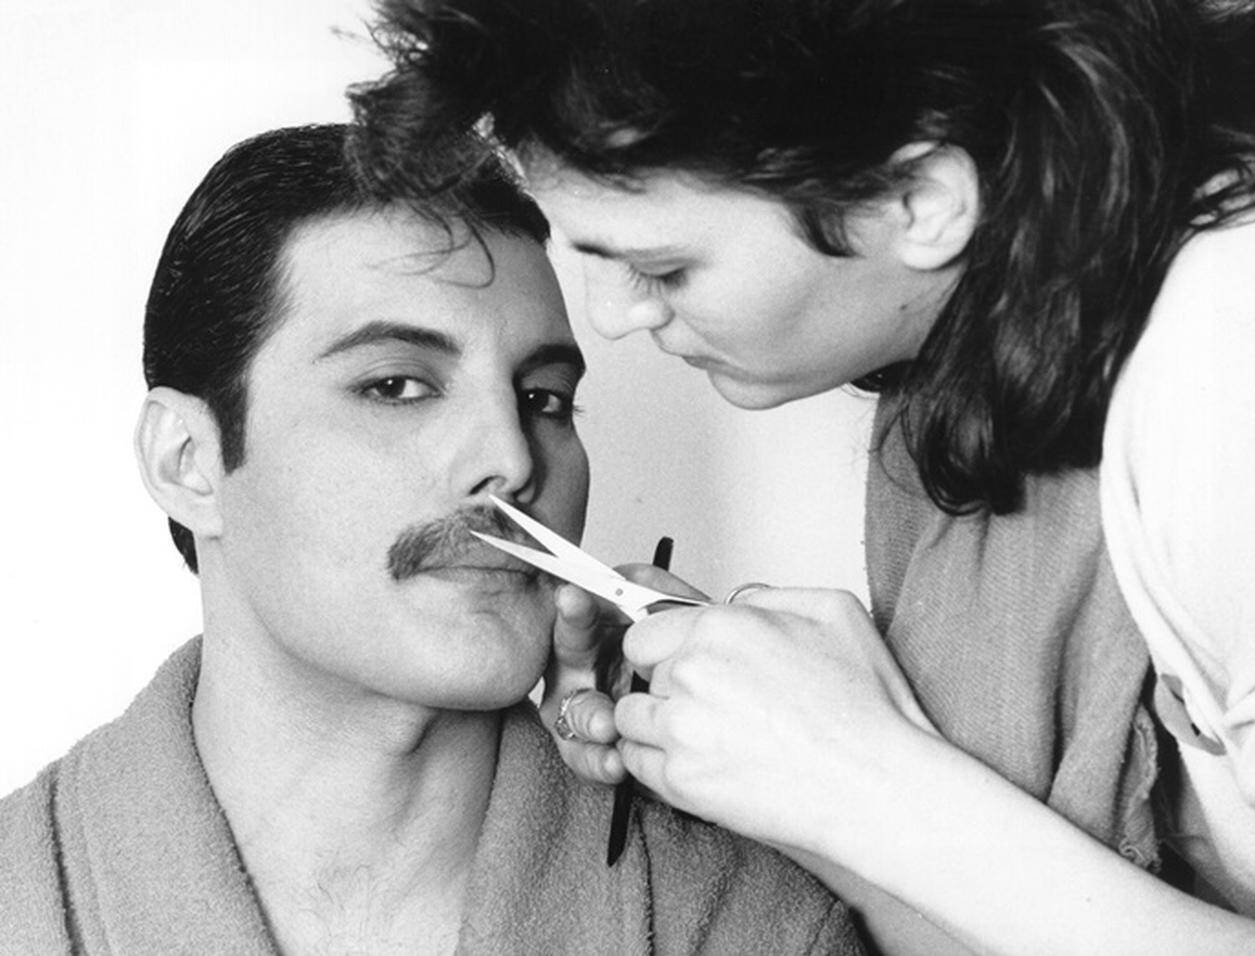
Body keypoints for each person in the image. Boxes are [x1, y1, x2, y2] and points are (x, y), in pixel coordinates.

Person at [348, 1, 1255, 952]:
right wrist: (767, 758)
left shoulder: (1239, 380)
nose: (616, 317)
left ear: (920, 201)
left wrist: (860, 777)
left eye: (663, 268)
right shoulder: (978, 367)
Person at [0, 124, 864, 955]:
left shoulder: (758, 924)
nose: (512, 459)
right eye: (395, 386)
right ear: (188, 462)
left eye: (543, 399)